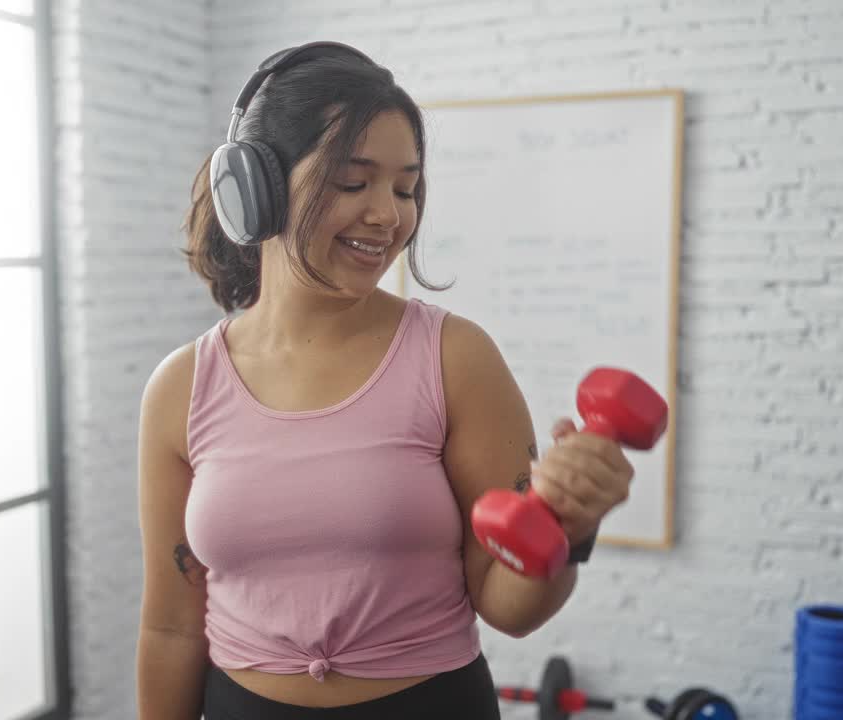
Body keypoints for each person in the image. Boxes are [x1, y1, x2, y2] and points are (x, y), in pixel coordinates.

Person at [135, 42, 635, 720]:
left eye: (405, 187)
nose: (388, 215)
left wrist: (571, 527)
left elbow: (510, 608)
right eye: (353, 182)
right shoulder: (181, 388)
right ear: (258, 188)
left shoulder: (456, 358)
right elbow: (170, 629)